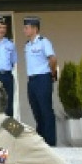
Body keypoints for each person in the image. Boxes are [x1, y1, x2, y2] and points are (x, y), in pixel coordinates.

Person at [23, 16, 59, 145]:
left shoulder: (44, 42)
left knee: (46, 111)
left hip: (43, 78)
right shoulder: (27, 45)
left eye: (26, 27)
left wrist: (52, 73)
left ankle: (50, 143)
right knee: (37, 112)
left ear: (34, 28)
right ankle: (41, 142)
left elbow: (53, 59)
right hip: (32, 81)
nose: (24, 30)